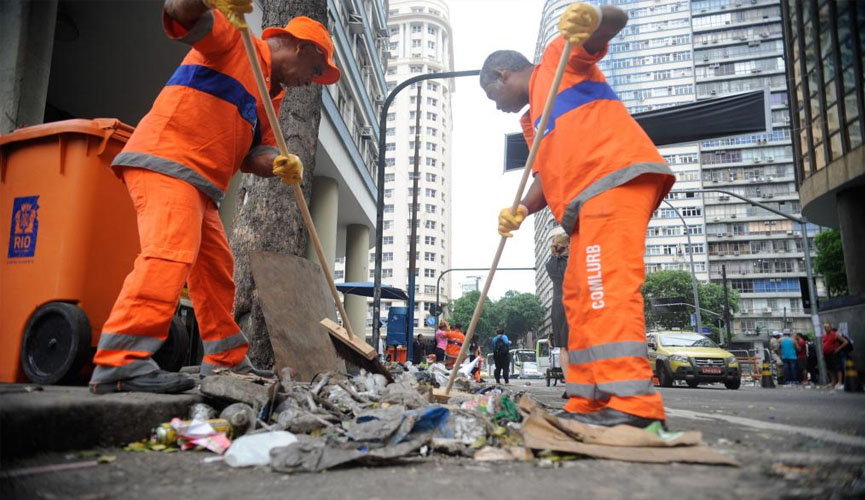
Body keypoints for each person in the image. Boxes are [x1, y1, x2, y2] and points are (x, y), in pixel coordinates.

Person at [88, 0, 340, 394]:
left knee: (216, 272)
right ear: (299, 47)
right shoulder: (237, 43)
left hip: (200, 183)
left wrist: (280, 163)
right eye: (314, 70)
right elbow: (182, 13)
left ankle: (225, 358)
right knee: (170, 254)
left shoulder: (272, 97)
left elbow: (255, 155)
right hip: (166, 159)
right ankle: (121, 362)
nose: (312, 81)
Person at [482, 3, 674, 428]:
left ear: (502, 75)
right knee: (578, 298)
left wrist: (593, 18)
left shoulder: (555, 58)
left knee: (606, 288)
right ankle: (588, 400)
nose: (495, 107)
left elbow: (612, 24)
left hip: (613, 181)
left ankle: (632, 405)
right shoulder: (534, 118)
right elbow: (545, 179)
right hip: (585, 205)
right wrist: (521, 209)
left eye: (491, 96)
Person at [546, 228, 570, 376]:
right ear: (568, 246)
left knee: (563, 347)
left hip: (558, 306)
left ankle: (570, 385)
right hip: (574, 303)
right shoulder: (573, 262)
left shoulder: (550, 265)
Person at [823, 323, 848, 389]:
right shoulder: (824, 335)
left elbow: (845, 342)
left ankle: (839, 382)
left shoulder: (835, 334)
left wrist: (838, 349)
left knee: (837, 368)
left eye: (827, 327)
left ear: (830, 327)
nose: (826, 329)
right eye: (825, 327)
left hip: (833, 354)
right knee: (830, 369)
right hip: (827, 354)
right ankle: (833, 382)